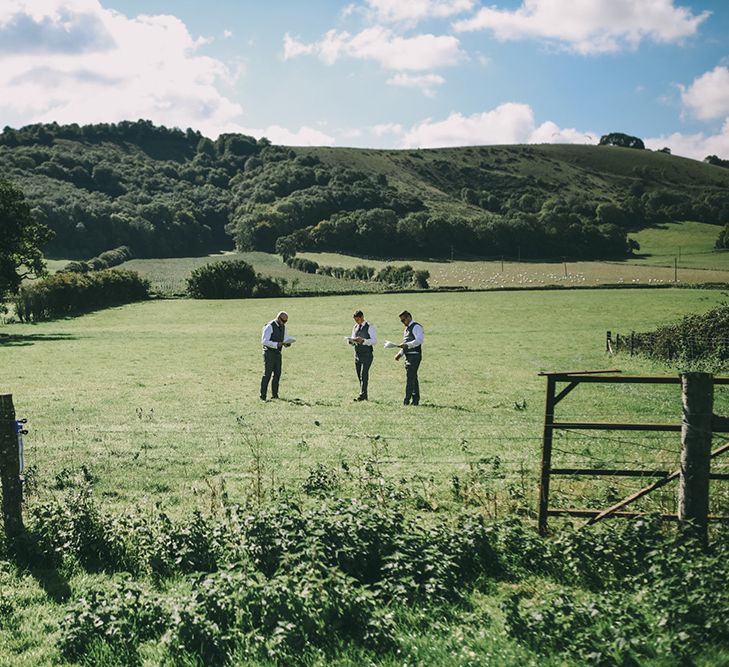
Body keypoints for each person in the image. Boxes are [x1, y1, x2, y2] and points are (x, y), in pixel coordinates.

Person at [395, 310, 424, 406]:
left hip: (415, 355)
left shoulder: (416, 327)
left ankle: (406, 401)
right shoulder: (406, 329)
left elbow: (419, 340)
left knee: (410, 378)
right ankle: (415, 400)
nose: (403, 322)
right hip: (408, 356)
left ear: (409, 317)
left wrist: (407, 345)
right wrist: (400, 353)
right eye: (401, 321)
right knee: (413, 378)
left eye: (404, 320)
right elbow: (405, 343)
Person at [260, 311, 290, 400]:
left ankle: (275, 395)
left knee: (277, 374)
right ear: (278, 318)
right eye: (283, 321)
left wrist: (286, 343)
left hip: (278, 353)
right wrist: (277, 344)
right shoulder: (269, 326)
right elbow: (264, 341)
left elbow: (284, 338)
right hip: (269, 353)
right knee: (267, 374)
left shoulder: (283, 326)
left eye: (285, 321)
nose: (284, 323)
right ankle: (263, 396)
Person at [349, 309, 377, 401]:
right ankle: (364, 395)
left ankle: (362, 396)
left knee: (363, 374)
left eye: (357, 319)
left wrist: (364, 341)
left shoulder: (370, 326)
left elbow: (374, 341)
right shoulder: (355, 327)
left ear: (362, 317)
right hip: (357, 354)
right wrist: (351, 342)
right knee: (359, 376)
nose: (356, 322)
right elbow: (353, 338)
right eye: (355, 320)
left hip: (367, 354)